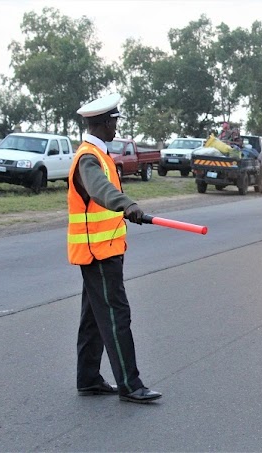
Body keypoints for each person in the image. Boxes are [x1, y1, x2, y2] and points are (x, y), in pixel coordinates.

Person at [69, 93, 162, 404]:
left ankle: (89, 379)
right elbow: (99, 190)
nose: (116, 128)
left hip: (103, 249)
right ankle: (130, 385)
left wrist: (125, 209)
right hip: (99, 253)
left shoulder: (98, 153)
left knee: (94, 316)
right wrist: (128, 205)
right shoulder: (89, 158)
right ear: (105, 123)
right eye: (115, 123)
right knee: (116, 315)